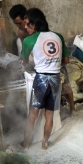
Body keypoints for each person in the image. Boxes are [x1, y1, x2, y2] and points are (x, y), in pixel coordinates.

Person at [21, 8, 70, 150]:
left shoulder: (28, 40)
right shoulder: (58, 36)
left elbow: (24, 61)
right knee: (49, 115)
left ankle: (25, 145)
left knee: (32, 114)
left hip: (41, 80)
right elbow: (66, 60)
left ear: (35, 23)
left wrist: (30, 65)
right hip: (55, 80)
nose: (25, 27)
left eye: (27, 23)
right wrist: (52, 64)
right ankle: (44, 144)